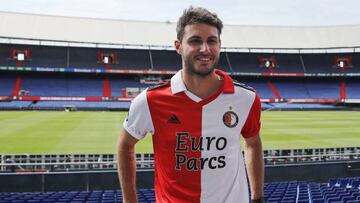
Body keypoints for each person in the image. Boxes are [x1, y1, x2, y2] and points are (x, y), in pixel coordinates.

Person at [117, 6, 264, 203]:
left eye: (212, 41)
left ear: (219, 45)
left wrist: (258, 197)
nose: (205, 49)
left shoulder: (246, 98)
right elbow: (126, 144)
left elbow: (253, 142)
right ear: (178, 46)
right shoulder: (150, 101)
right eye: (195, 41)